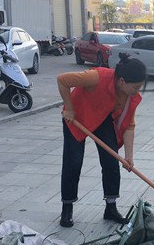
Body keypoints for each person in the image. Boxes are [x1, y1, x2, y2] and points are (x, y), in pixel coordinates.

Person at [58, 53, 146, 228]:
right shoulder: (96, 77)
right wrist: (69, 107)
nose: (137, 91)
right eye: (135, 87)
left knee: (111, 161)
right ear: (122, 81)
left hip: (102, 119)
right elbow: (62, 80)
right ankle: (67, 207)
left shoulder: (129, 97)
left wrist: (129, 157)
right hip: (77, 117)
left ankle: (111, 207)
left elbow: (129, 125)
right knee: (73, 162)